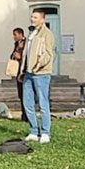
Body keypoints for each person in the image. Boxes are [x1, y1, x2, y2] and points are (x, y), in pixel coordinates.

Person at [21, 9, 56, 144]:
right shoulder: (32, 33)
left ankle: (45, 132)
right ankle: (34, 131)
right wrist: (22, 71)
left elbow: (48, 54)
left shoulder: (47, 34)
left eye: (35, 17)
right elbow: (27, 53)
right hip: (28, 73)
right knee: (27, 102)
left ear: (42, 19)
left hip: (41, 73)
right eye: (32, 17)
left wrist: (37, 66)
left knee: (43, 103)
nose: (32, 19)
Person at [10, 28, 28, 124]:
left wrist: (20, 57)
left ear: (20, 34)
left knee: (26, 95)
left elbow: (27, 57)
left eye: (15, 35)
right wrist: (14, 55)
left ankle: (27, 115)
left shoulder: (27, 43)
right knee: (21, 95)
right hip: (18, 71)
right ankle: (23, 114)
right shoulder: (16, 44)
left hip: (25, 71)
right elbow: (12, 55)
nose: (14, 37)